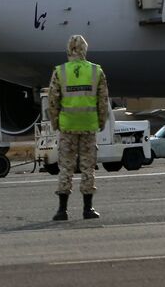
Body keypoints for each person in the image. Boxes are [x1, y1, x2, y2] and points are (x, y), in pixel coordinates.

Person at [47, 34, 110, 220]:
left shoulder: (60, 72)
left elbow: (52, 101)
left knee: (65, 167)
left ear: (68, 50)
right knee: (87, 168)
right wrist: (100, 122)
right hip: (89, 126)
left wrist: (56, 122)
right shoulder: (96, 71)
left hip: (68, 127)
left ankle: (62, 210)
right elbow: (103, 101)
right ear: (84, 50)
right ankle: (87, 209)